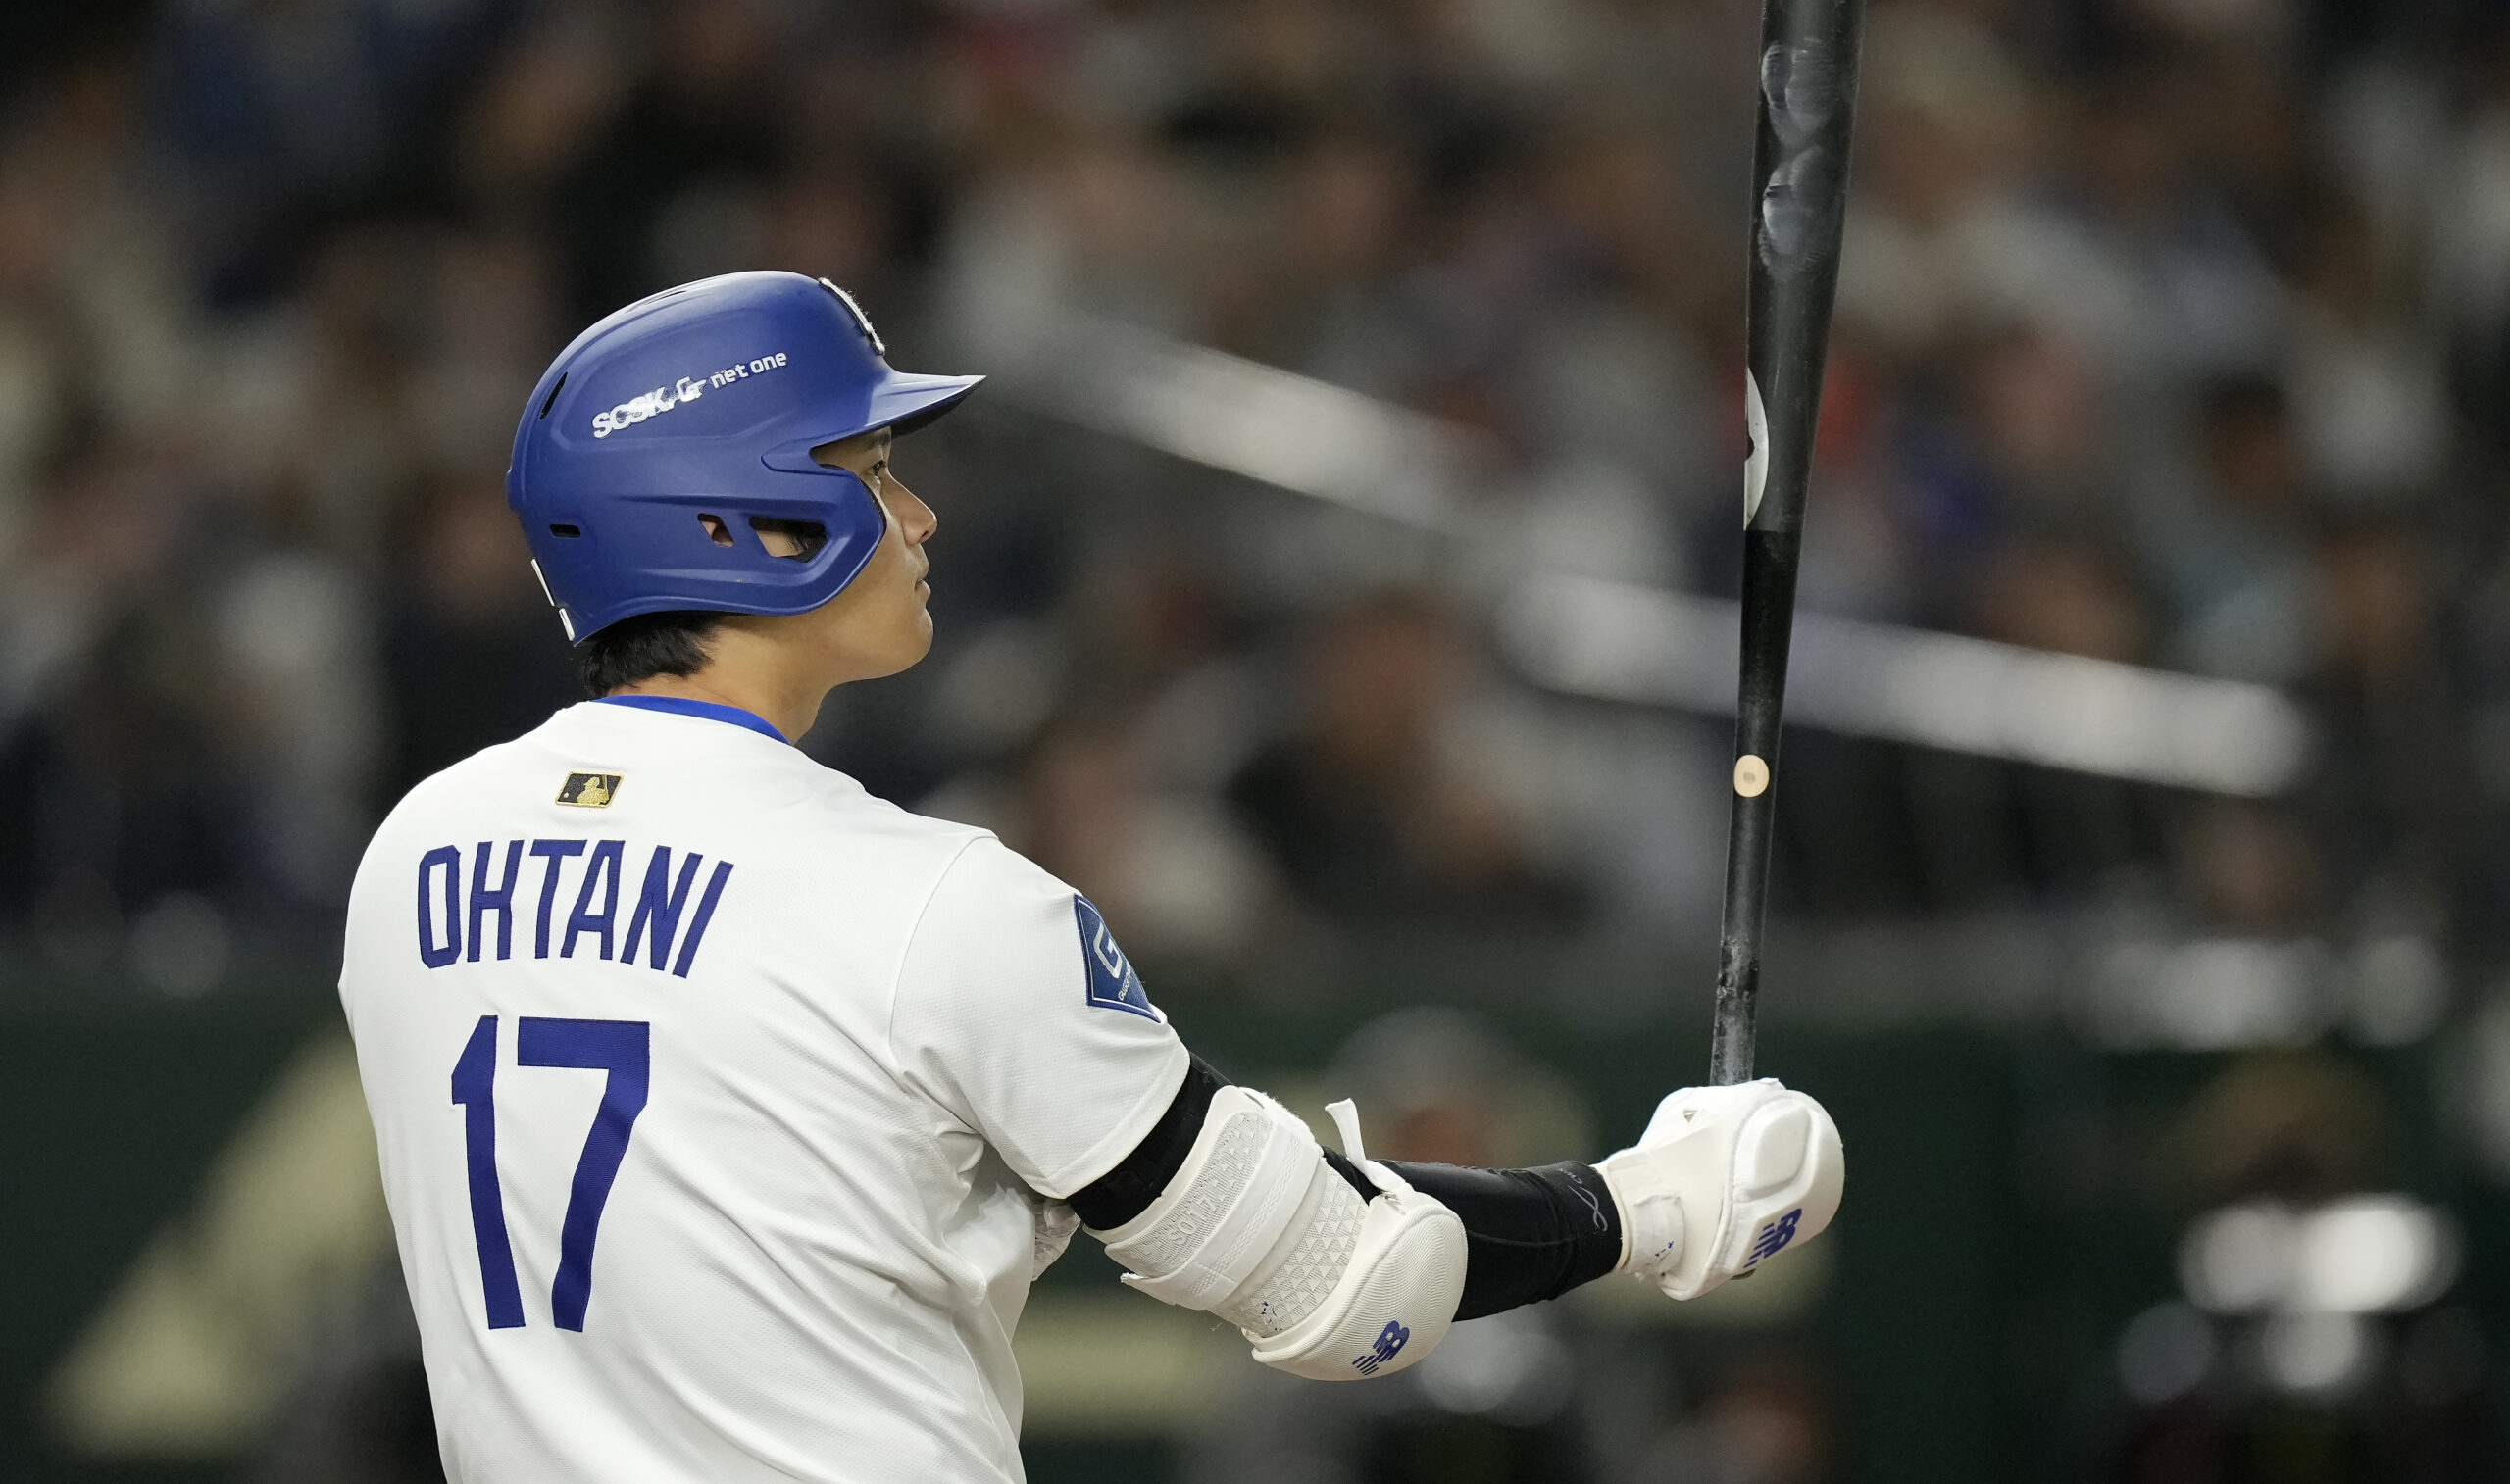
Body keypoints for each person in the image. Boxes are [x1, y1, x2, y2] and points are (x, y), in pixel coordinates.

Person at [337, 271, 1846, 1483]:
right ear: (743, 519)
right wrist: (1647, 1203)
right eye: (869, 470)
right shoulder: (932, 901)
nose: (918, 517)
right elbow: (1343, 1282)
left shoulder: (412, 858)